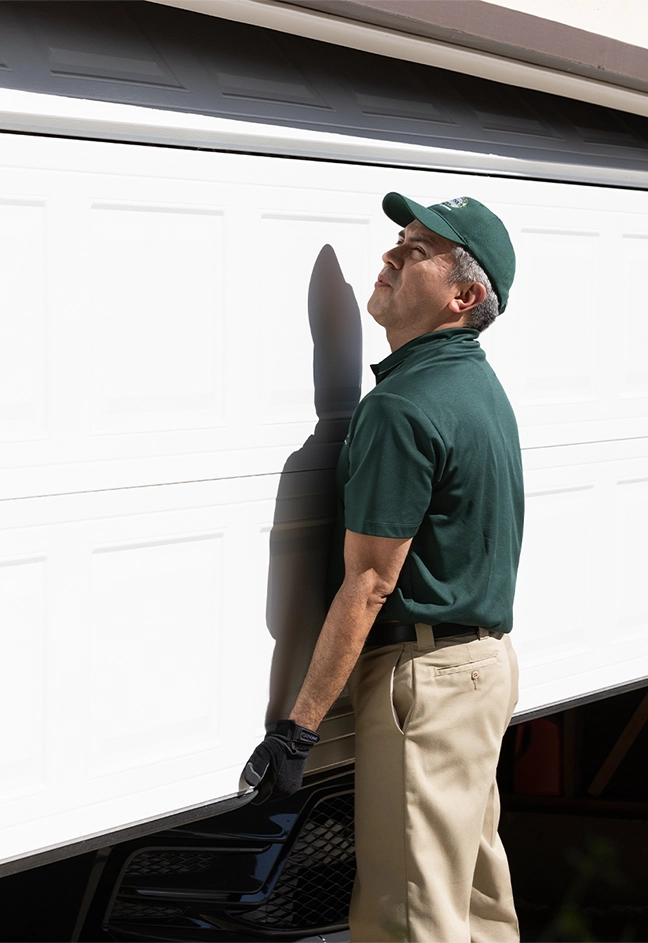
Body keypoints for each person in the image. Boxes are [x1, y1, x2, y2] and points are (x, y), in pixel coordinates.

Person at [242, 192, 524, 943]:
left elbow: (370, 583)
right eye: (399, 240)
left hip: (426, 687)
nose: (391, 257)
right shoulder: (478, 387)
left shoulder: (406, 405)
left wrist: (299, 729)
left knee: (408, 919)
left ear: (464, 295)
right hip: (483, 668)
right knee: (473, 901)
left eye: (418, 250)